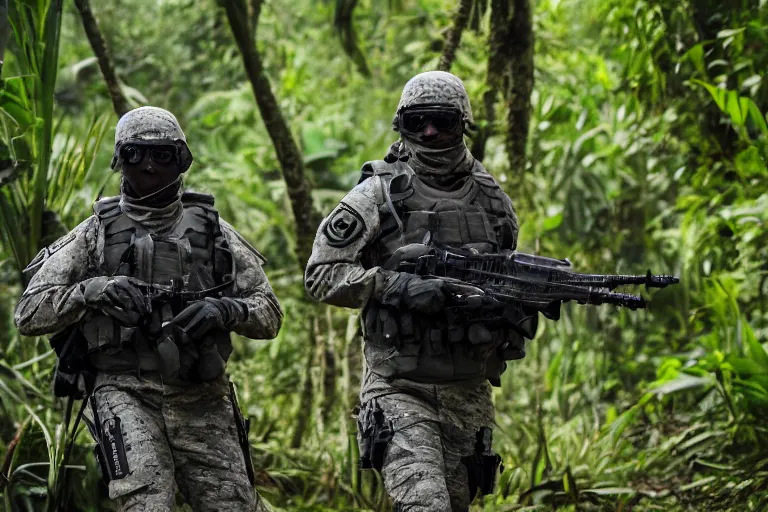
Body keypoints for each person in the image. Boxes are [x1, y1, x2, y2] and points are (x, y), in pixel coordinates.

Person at [15, 106, 282, 512]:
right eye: (136, 154)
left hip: (201, 396)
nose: (150, 167)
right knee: (145, 504)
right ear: (120, 160)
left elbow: (269, 314)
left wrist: (225, 310)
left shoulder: (213, 231)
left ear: (181, 161)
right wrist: (92, 291)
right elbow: (29, 312)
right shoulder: (95, 234)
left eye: (163, 155)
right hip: (125, 392)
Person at [304, 71, 529, 511]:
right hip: (398, 387)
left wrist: (505, 307)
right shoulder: (376, 194)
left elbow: (505, 274)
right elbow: (321, 274)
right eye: (416, 122)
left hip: (468, 389)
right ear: (401, 125)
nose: (428, 132)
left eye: (441, 121)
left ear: (462, 124)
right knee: (424, 504)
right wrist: (394, 285)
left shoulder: (492, 200)